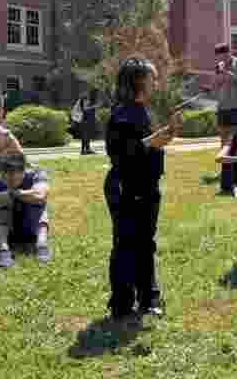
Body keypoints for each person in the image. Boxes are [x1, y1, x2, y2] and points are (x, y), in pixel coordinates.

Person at [104, 58, 182, 324]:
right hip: (127, 186)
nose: (156, 82)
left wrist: (167, 132)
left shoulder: (142, 110)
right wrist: (153, 140)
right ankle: (122, 304)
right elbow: (121, 153)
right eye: (153, 77)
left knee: (145, 243)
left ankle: (148, 298)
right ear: (138, 80)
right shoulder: (122, 112)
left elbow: (148, 146)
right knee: (127, 245)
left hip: (146, 185)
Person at [0, 152, 52, 267]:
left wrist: (15, 194)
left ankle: (42, 245)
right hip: (3, 233)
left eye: (16, 179)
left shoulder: (36, 176)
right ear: (0, 173)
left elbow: (41, 195)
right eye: (7, 179)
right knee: (1, 206)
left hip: (30, 229)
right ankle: (3, 252)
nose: (12, 182)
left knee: (35, 201)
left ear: (24, 171)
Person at [213, 43, 237, 195]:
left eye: (225, 54)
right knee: (225, 146)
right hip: (223, 109)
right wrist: (218, 79)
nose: (223, 58)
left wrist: (230, 76)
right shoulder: (218, 66)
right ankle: (227, 183)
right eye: (220, 55)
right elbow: (216, 85)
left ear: (229, 52)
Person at [216, 126, 237, 198]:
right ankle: (235, 188)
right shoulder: (230, 145)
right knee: (229, 162)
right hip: (232, 176)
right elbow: (218, 158)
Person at [74, 89, 104, 155]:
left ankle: (88, 149)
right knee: (85, 136)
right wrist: (94, 106)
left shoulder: (91, 101)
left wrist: (96, 117)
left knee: (88, 136)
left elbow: (91, 110)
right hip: (85, 121)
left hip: (89, 121)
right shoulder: (85, 99)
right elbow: (85, 109)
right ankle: (82, 150)